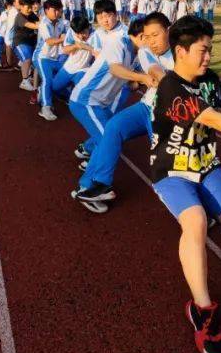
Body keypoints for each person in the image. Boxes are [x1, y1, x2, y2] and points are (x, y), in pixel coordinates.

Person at [148, 15, 221, 353]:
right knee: (194, 221)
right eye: (203, 50)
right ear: (180, 51)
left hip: (207, 165)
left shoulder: (209, 80)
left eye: (210, 49)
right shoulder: (171, 87)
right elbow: (217, 120)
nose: (208, 56)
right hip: (172, 170)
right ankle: (202, 309)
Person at [72, 12, 173, 211]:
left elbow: (140, 77)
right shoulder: (128, 47)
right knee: (109, 132)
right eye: (148, 36)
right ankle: (92, 184)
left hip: (159, 113)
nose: (151, 41)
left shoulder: (158, 53)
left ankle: (194, 210)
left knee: (166, 162)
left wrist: (138, 81)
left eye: (156, 35)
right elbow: (118, 69)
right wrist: (144, 78)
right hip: (93, 101)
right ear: (141, 36)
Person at [68, 0, 155, 162]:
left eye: (108, 15)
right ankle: (93, 173)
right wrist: (141, 78)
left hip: (110, 89)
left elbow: (129, 74)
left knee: (110, 130)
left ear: (116, 15)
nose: (104, 20)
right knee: (108, 137)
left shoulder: (125, 37)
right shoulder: (110, 37)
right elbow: (114, 67)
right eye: (100, 17)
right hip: (93, 93)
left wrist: (139, 81)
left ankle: (87, 150)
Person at [36, 0, 68, 121]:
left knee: (66, 78)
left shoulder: (62, 23)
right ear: (46, 10)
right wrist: (62, 39)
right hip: (44, 57)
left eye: (59, 10)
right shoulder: (44, 24)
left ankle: (46, 91)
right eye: (54, 10)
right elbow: (49, 41)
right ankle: (46, 107)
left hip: (57, 57)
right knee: (47, 80)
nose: (57, 13)